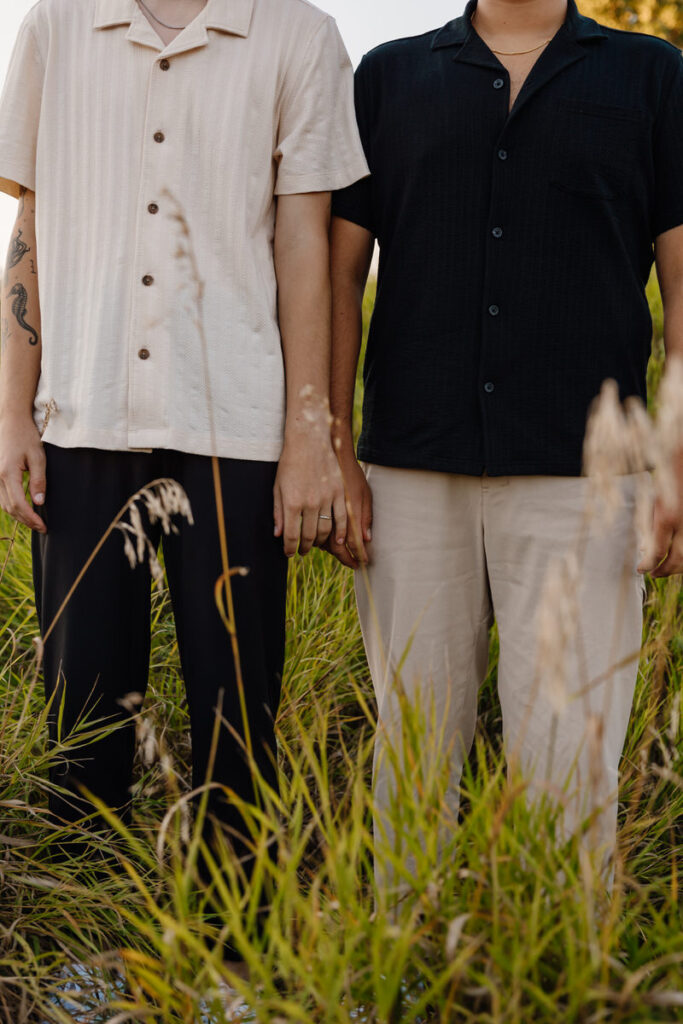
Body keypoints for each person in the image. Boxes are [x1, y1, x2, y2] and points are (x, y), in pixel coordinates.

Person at [0, 0, 368, 959]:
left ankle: (232, 961)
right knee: (82, 713)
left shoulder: (299, 38)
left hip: (236, 434)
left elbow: (305, 246)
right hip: (84, 421)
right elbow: (29, 231)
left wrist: (309, 436)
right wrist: (9, 413)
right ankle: (83, 956)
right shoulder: (53, 27)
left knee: (237, 719)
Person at [328, 0, 683, 894]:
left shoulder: (652, 77)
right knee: (408, 762)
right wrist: (331, 445)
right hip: (409, 468)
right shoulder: (386, 76)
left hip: (585, 483)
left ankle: (563, 984)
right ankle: (399, 974)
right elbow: (336, 274)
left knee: (571, 768)